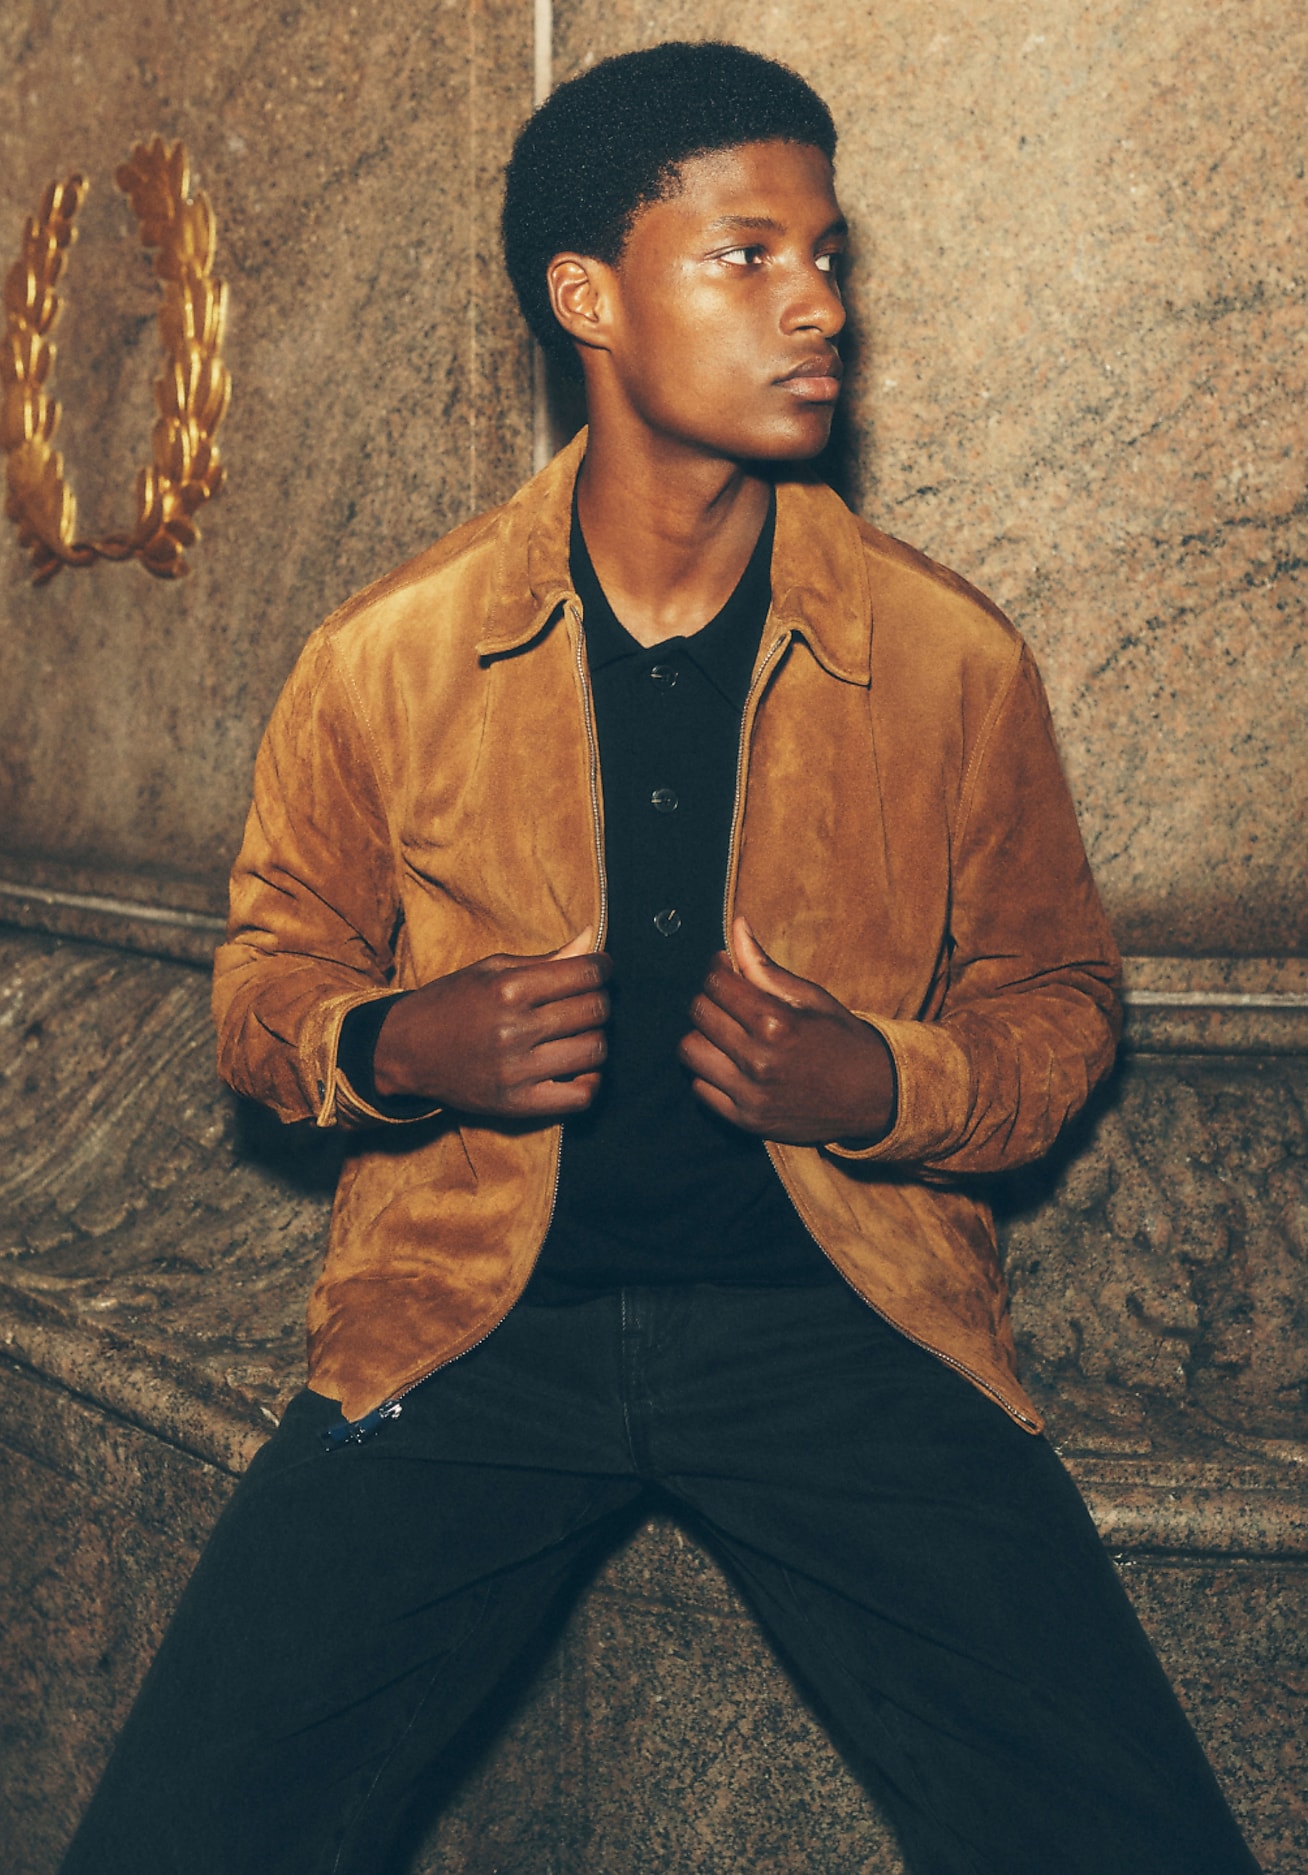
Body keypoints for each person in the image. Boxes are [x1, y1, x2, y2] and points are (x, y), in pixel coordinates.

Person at [63, 41, 1261, 1875]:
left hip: (839, 1327)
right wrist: (401, 1043)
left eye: (831, 258)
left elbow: (1057, 997)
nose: (817, 307)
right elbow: (262, 991)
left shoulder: (949, 661)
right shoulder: (381, 656)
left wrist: (882, 1080)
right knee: (180, 1836)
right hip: (467, 1325)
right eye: (751, 255)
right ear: (587, 298)